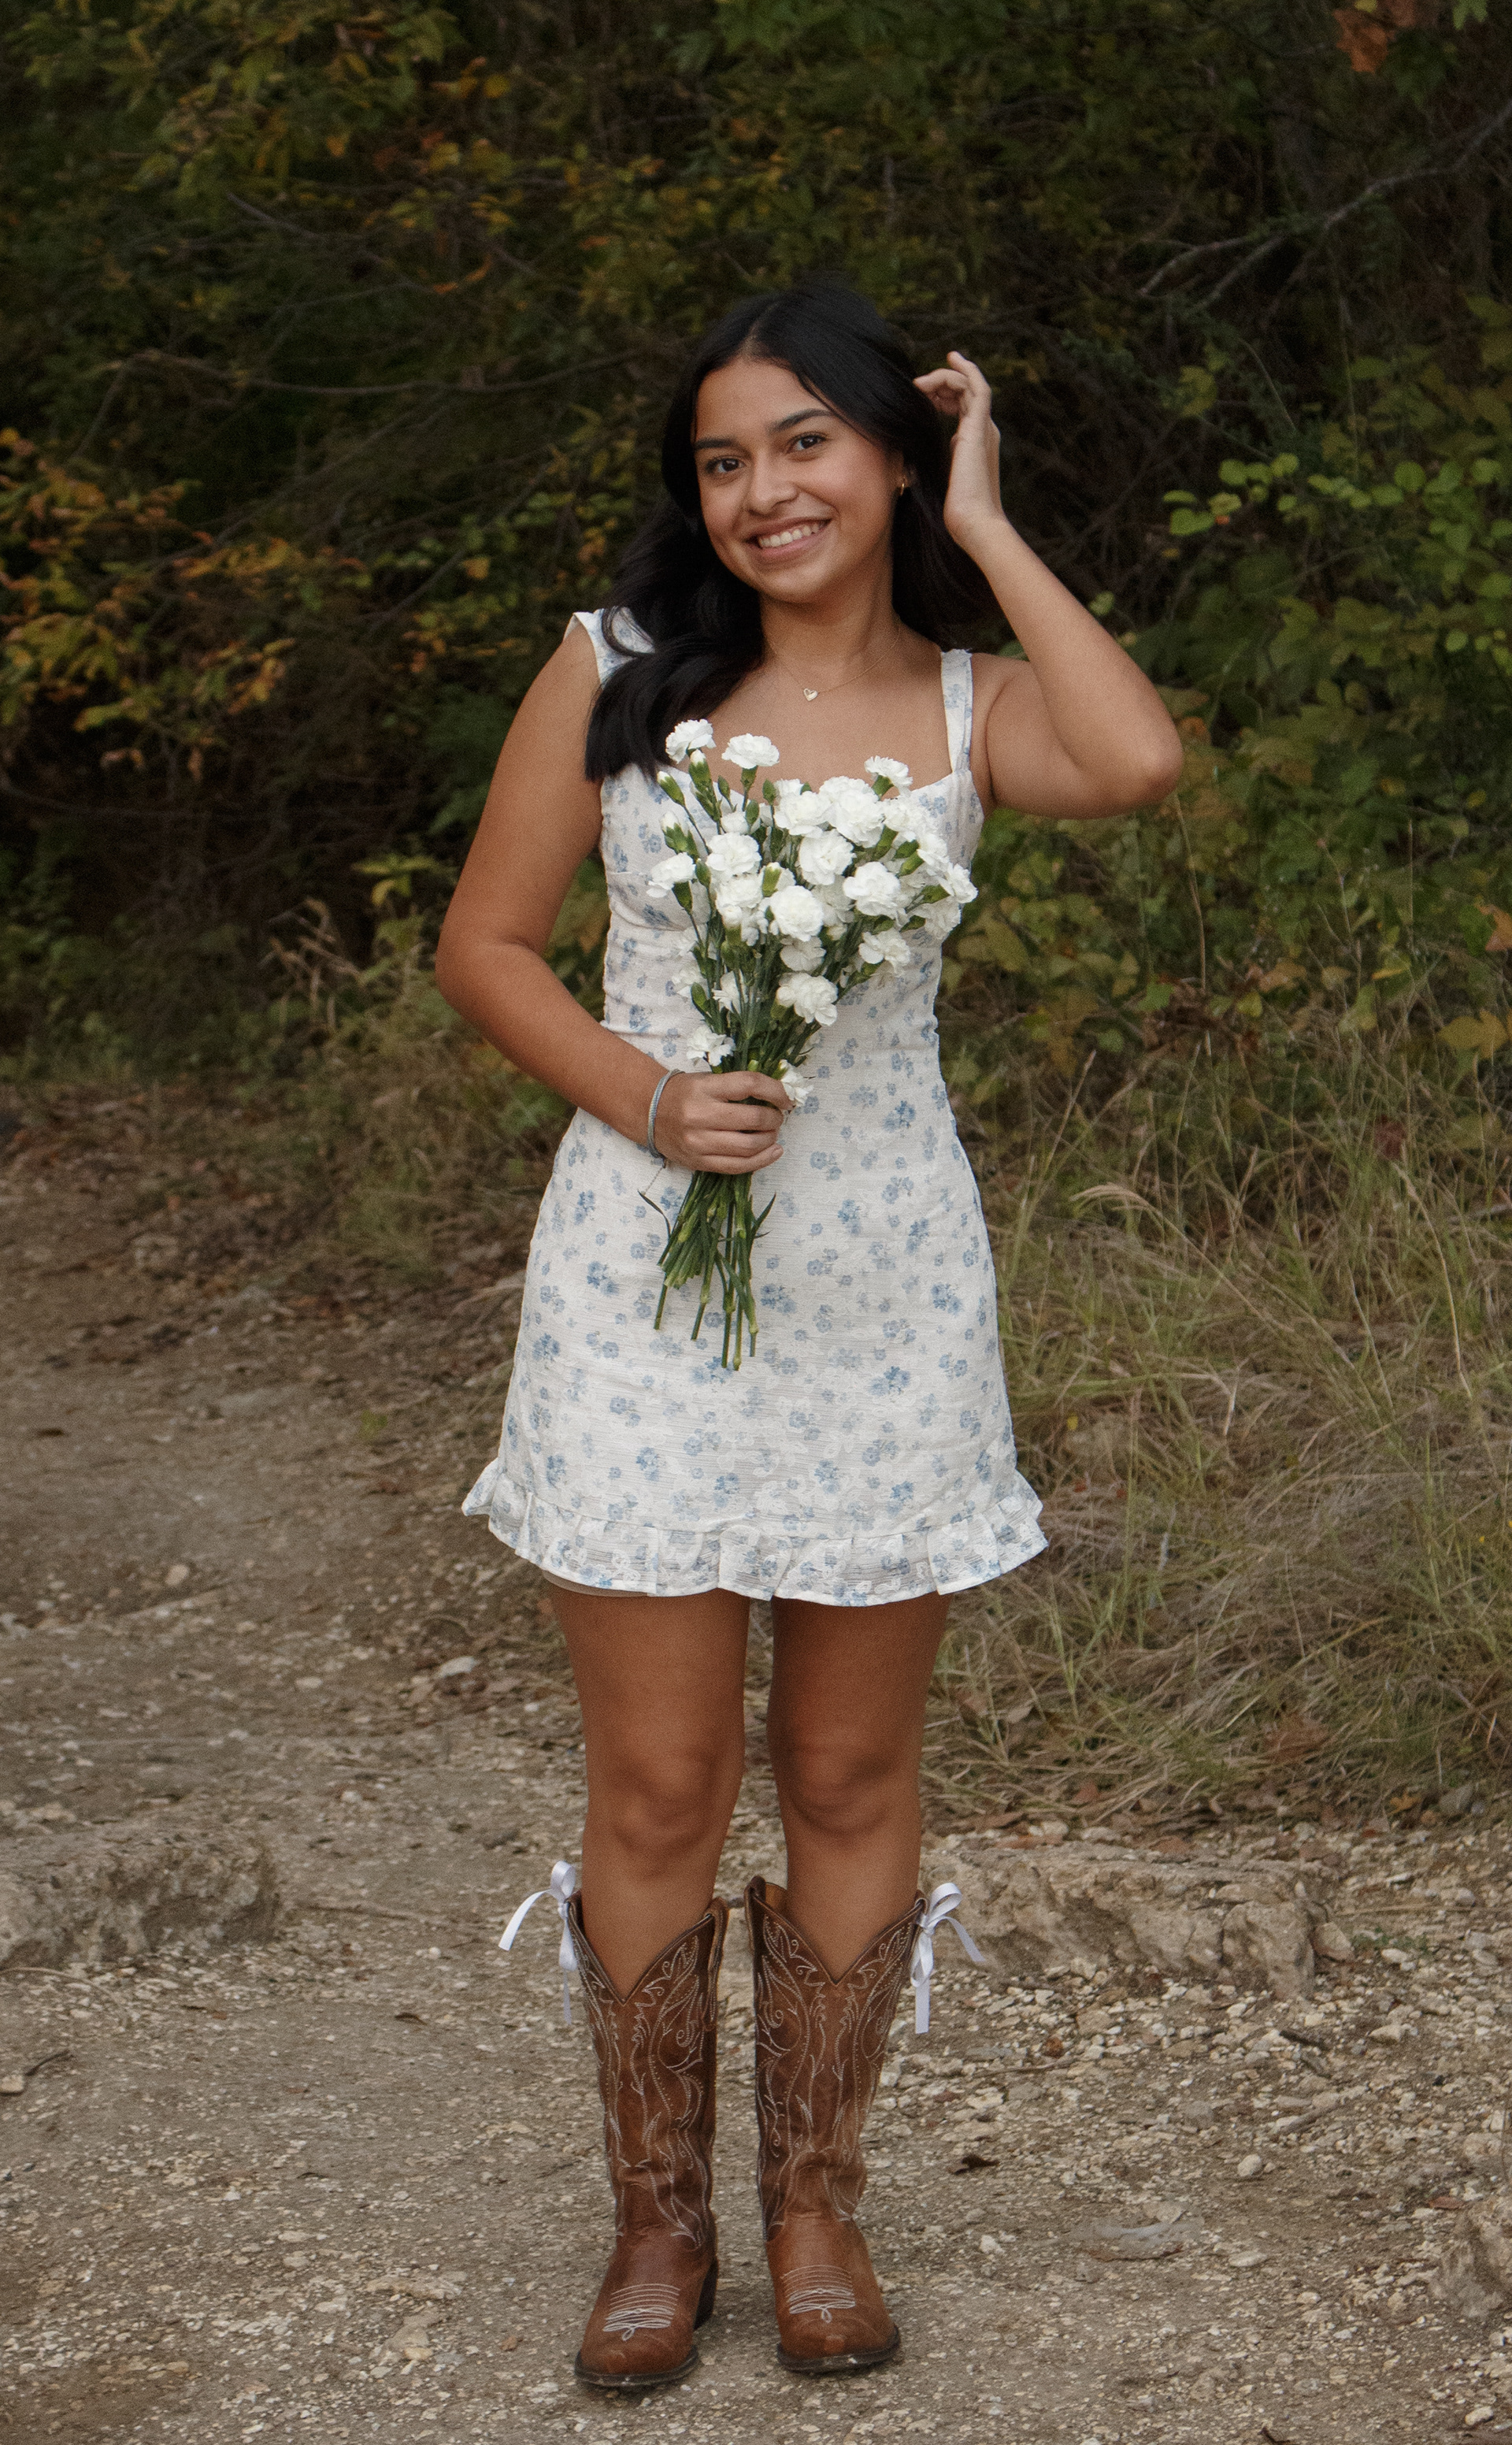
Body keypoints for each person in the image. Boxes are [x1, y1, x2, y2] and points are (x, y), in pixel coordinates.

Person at [435, 284, 1182, 2390]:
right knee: (661, 1778)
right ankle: (658, 2232)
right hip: (642, 1280)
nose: (759, 493)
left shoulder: (967, 708)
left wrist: (994, 514)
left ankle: (817, 2208)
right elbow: (484, 946)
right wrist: (649, 1092)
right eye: (720, 460)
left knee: (850, 1767)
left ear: (889, 459)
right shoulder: (617, 675)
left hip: (883, 1288)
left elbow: (1131, 755)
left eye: (804, 447)